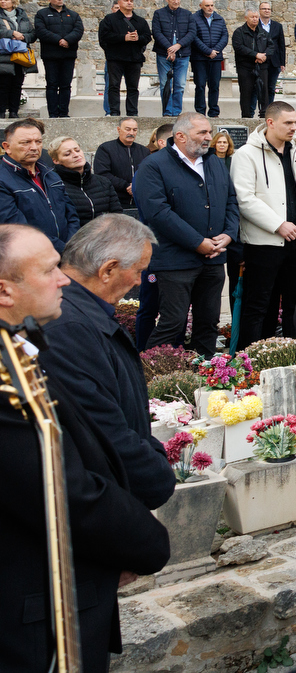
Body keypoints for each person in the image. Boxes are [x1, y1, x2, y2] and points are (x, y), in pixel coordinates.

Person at [0, 224, 172, 673]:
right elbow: (63, 486)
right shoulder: (11, 376)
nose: (63, 278)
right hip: (36, 599)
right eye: (49, 270)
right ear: (5, 291)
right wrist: (142, 541)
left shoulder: (24, 346)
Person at [43, 214, 173, 509]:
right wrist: (155, 473)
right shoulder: (69, 328)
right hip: (104, 500)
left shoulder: (81, 314)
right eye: (139, 270)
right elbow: (103, 428)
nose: (140, 280)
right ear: (108, 270)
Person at [137, 113, 238, 354]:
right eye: (202, 133)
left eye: (209, 132)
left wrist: (229, 234)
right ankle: (151, 379)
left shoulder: (214, 162)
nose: (208, 138)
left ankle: (205, 379)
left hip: (213, 259)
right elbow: (158, 213)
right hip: (175, 262)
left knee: (208, 323)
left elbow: (231, 201)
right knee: (172, 324)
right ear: (180, 136)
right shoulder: (153, 166)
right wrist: (196, 242)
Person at [232, 103, 296, 348]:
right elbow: (245, 198)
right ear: (270, 122)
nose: (294, 127)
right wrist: (278, 224)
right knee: (259, 306)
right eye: (288, 123)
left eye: (295, 122)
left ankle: (294, 358)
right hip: (264, 244)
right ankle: (250, 362)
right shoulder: (246, 154)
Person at [0, 119, 79, 252]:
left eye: (38, 142)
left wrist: (71, 245)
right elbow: (18, 228)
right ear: (7, 147)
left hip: (66, 253)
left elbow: (71, 214)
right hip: (30, 258)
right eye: (26, 142)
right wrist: (63, 250)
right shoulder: (3, 179)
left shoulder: (50, 174)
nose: (34, 147)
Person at [98, 0, 152, 117]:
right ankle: (114, 112)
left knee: (133, 88)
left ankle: (132, 113)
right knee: (114, 86)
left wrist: (138, 38)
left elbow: (148, 37)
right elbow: (104, 37)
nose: (129, 3)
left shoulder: (140, 21)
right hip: (115, 58)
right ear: (120, 3)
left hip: (134, 59)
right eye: (126, 0)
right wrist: (123, 38)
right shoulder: (109, 19)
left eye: (131, 0)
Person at [32, 0, 82, 119]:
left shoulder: (73, 15)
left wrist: (67, 40)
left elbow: (78, 30)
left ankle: (64, 113)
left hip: (68, 55)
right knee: (52, 85)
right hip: (51, 55)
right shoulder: (42, 14)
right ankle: (53, 114)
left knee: (66, 85)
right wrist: (59, 40)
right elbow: (41, 31)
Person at [50, 136, 121, 226]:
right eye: (67, 154)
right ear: (56, 160)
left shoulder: (103, 182)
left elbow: (117, 215)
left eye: (77, 150)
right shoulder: (54, 186)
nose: (76, 155)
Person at [149, 0, 194, 118]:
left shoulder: (187, 14)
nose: (176, 1)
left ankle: (176, 112)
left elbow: (191, 32)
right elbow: (156, 32)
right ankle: (167, 112)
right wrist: (169, 48)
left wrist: (178, 46)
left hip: (182, 54)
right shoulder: (159, 14)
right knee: (165, 84)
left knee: (179, 85)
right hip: (164, 54)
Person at [95, 118, 148, 211]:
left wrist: (138, 186)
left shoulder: (144, 151)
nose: (131, 132)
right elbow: (102, 174)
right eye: (128, 129)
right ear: (119, 130)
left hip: (140, 201)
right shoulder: (106, 149)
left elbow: (150, 174)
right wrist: (126, 186)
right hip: (115, 201)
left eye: (134, 130)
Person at [189, 0, 228, 118]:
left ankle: (214, 112)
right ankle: (200, 112)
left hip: (215, 58)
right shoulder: (194, 18)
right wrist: (207, 51)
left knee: (214, 85)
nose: (210, 8)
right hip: (199, 58)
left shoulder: (219, 19)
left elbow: (224, 36)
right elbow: (193, 37)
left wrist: (215, 51)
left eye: (211, 5)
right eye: (207, 5)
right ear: (201, 6)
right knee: (200, 85)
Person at [232, 9, 273, 118]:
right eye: (252, 17)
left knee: (264, 93)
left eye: (256, 17)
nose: (255, 19)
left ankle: (264, 116)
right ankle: (246, 117)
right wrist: (255, 55)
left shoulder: (263, 33)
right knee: (246, 94)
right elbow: (239, 47)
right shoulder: (239, 32)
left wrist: (264, 56)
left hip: (262, 67)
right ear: (246, 18)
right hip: (245, 67)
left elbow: (271, 47)